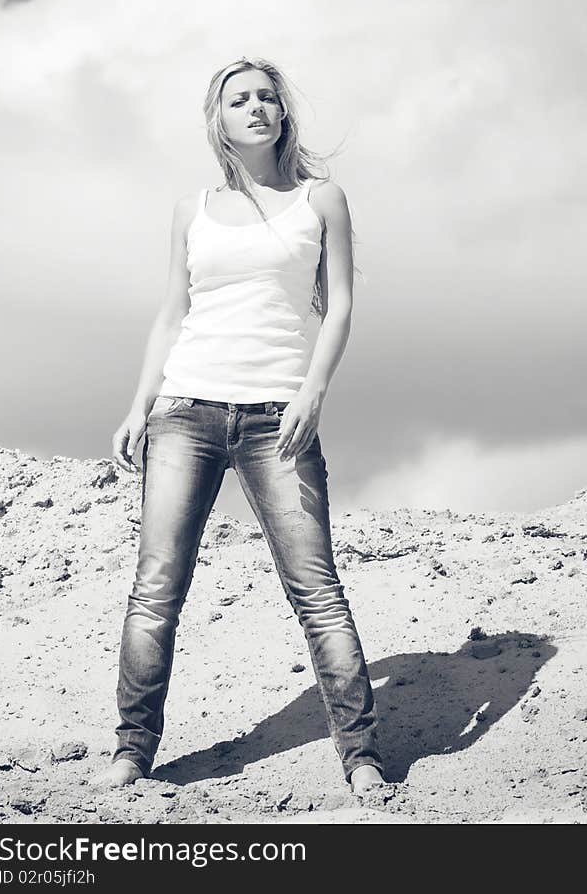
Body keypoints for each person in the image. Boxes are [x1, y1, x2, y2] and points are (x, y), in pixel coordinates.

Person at [91, 56, 386, 798]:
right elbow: (171, 314)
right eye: (238, 100)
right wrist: (138, 405)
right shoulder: (192, 210)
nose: (255, 108)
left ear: (284, 115)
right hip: (185, 411)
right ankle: (133, 750)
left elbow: (341, 306)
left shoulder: (323, 200)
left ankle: (361, 756)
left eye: (266, 99)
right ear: (218, 120)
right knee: (156, 587)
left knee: (316, 589)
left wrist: (311, 395)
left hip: (276, 417)